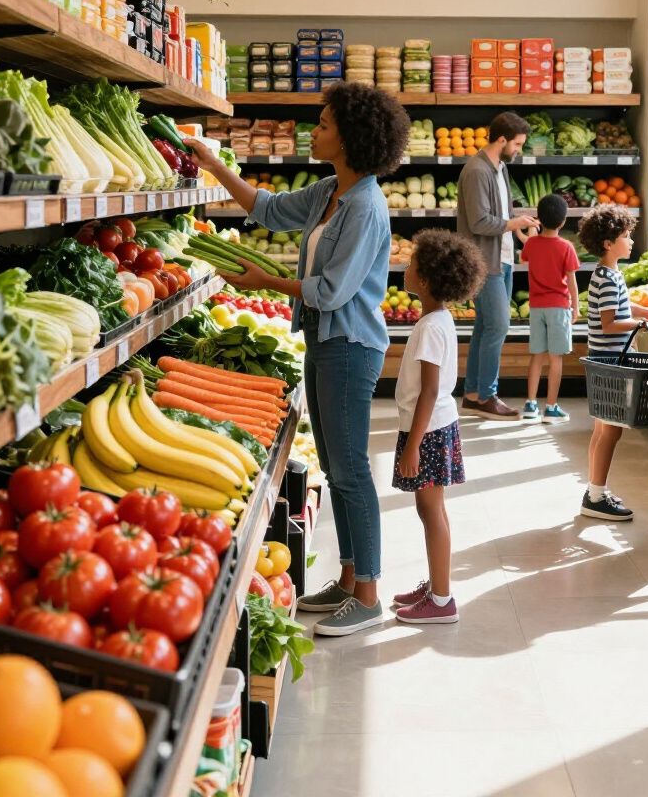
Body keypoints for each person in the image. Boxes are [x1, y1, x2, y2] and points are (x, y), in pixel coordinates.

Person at [184, 83, 410, 636]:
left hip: (352, 347)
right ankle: (349, 579)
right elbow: (267, 208)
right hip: (322, 341)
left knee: (352, 469)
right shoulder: (331, 190)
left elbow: (332, 291)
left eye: (324, 124)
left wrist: (266, 280)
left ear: (350, 136)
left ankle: (370, 595)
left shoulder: (366, 206)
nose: (315, 130)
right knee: (335, 467)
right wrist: (213, 165)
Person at [391, 229, 485, 625]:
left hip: (426, 431)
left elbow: (428, 391)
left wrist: (412, 446)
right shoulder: (438, 318)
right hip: (435, 427)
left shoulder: (430, 327)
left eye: (411, 265)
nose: (405, 268)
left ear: (425, 280)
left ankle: (442, 599)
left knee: (430, 513)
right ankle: (436, 584)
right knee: (433, 510)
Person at [456, 112, 538, 421]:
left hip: (502, 258)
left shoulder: (500, 167)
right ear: (501, 140)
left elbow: (504, 213)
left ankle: (474, 394)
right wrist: (513, 222)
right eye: (516, 144)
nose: (518, 150)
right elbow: (479, 221)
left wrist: (518, 230)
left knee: (485, 327)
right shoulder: (477, 171)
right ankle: (487, 396)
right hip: (482, 261)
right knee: (499, 327)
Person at [578, 204, 648, 521]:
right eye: (626, 235)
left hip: (604, 359)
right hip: (611, 361)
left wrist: (642, 310)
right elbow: (609, 323)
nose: (631, 241)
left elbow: (619, 307)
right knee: (611, 432)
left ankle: (595, 489)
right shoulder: (608, 278)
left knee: (601, 429)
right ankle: (596, 496)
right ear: (609, 243)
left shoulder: (608, 274)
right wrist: (639, 325)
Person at [516, 193, 580, 423]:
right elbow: (571, 280)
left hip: (536, 307)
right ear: (563, 221)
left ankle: (530, 404)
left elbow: (525, 258)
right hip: (559, 307)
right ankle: (551, 407)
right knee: (556, 359)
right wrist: (576, 306)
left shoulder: (532, 244)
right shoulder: (566, 247)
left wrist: (525, 231)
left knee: (537, 356)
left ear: (539, 219)